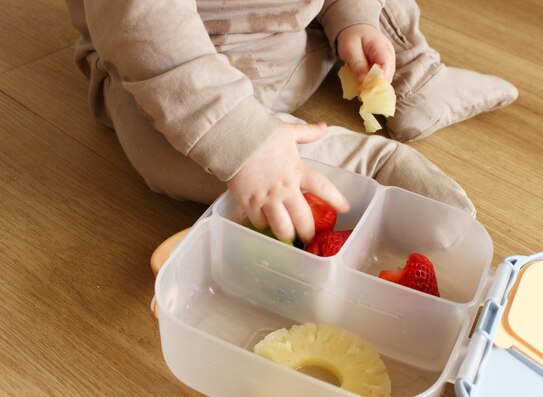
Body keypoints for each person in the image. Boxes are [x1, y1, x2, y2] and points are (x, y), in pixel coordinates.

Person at [65, 0, 517, 243]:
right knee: (168, 152)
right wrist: (243, 143)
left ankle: (415, 75)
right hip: (170, 76)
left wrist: (353, 21)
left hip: (296, 40)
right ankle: (364, 166)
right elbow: (144, 31)